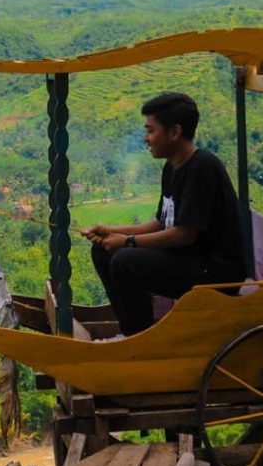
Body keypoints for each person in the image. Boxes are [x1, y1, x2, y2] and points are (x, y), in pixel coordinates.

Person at [81, 92, 245, 336]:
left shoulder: (202, 169)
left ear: (174, 132)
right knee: (103, 250)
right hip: (189, 260)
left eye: (151, 130)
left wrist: (126, 241)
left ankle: (142, 339)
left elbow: (184, 235)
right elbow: (161, 223)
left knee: (124, 261)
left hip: (214, 270)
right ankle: (133, 330)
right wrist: (111, 231)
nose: (147, 139)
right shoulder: (172, 167)